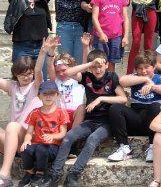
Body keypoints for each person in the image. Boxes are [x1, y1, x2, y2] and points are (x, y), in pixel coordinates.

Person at [42, 49, 128, 187]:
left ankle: (73, 175)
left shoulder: (112, 77)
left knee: (92, 139)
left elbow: (123, 99)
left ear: (106, 65)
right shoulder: (87, 77)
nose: (97, 69)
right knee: (68, 137)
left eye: (100, 66)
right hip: (90, 121)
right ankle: (54, 175)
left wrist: (100, 98)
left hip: (106, 123)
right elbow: (69, 72)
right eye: (94, 67)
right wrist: (90, 64)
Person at [0, 38, 49, 186]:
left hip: (29, 140)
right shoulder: (13, 87)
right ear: (16, 74)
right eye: (23, 74)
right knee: (11, 127)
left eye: (29, 74)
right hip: (12, 140)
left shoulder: (35, 87)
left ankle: (5, 175)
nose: (27, 77)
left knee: (12, 126)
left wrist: (42, 52)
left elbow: (39, 71)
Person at [108, 50, 161, 163]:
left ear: (154, 66)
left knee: (156, 107)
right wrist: (145, 79)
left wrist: (153, 87)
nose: (143, 71)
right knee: (115, 108)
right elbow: (122, 81)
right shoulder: (135, 77)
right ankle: (124, 148)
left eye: (147, 67)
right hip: (136, 116)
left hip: (152, 122)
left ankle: (153, 147)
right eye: (140, 68)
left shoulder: (160, 78)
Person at [18, 80, 69, 187]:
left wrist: (52, 136)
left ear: (57, 95)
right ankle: (30, 172)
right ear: (39, 96)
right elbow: (29, 132)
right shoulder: (35, 113)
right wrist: (27, 140)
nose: (48, 97)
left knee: (42, 149)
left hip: (53, 147)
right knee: (24, 149)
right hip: (37, 144)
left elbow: (63, 133)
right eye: (45, 94)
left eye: (51, 94)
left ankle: (40, 174)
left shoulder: (61, 112)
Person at [46, 34, 91, 132]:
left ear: (72, 68)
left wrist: (85, 46)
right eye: (57, 71)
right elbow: (49, 66)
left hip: (75, 115)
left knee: (82, 108)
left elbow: (85, 65)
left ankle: (71, 138)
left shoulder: (78, 79)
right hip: (59, 116)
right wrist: (52, 49)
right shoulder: (56, 80)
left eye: (64, 70)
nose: (61, 74)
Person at [90, 0, 130, 72]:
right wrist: (101, 33)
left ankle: (110, 83)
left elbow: (125, 18)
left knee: (112, 62)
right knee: (99, 61)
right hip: (101, 37)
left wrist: (125, 36)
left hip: (117, 37)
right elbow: (94, 17)